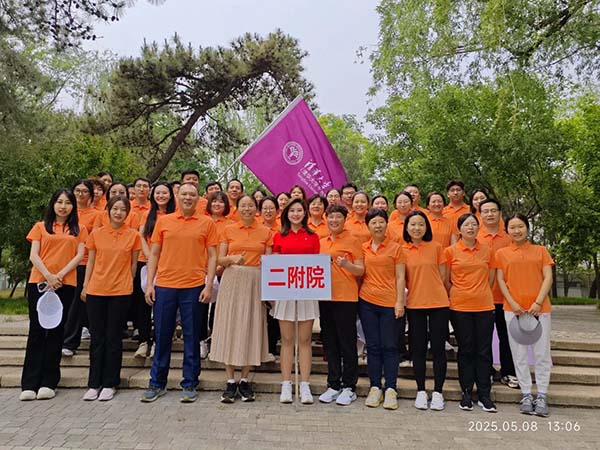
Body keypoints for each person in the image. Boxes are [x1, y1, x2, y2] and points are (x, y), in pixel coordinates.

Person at [141, 183, 217, 403]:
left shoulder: (207, 223)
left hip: (194, 286)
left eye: (192, 194)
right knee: (162, 335)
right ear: (177, 196)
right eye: (184, 194)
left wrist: (208, 285)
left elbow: (213, 255)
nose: (187, 198)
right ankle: (157, 383)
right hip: (165, 285)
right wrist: (150, 284)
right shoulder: (164, 221)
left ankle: (190, 383)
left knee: (192, 337)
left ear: (198, 198)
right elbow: (154, 254)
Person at [20, 189, 87, 401]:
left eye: (67, 203)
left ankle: (49, 382)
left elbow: (79, 256)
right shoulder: (40, 227)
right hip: (39, 282)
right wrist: (48, 275)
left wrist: (59, 275)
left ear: (73, 206)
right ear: (53, 204)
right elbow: (34, 255)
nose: (63, 206)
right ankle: (29, 383)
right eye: (59, 202)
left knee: (57, 331)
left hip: (65, 284)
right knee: (37, 331)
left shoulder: (79, 229)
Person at [210, 194, 273, 403]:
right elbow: (219, 258)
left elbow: (269, 261)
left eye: (251, 205)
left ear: (256, 209)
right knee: (229, 325)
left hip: (254, 281)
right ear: (237, 208)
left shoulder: (266, 232)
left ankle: (245, 379)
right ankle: (230, 380)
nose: (247, 209)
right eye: (243, 205)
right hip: (232, 279)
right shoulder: (228, 229)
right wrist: (231, 258)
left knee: (251, 326)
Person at [80, 196, 141, 401]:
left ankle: (110, 383)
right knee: (97, 338)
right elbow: (90, 262)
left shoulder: (133, 235)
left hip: (120, 291)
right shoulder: (96, 234)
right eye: (115, 208)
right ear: (108, 211)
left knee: (114, 338)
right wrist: (86, 285)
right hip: (96, 290)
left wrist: (127, 282)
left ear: (127, 213)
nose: (118, 213)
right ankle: (93, 384)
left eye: (123, 209)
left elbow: (133, 265)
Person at [496, 214, 554, 417]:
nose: (517, 230)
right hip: (513, 310)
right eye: (512, 227)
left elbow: (548, 277)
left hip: (540, 310)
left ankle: (542, 395)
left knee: (541, 353)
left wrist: (538, 302)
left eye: (520, 226)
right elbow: (501, 280)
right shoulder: (502, 253)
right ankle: (526, 394)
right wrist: (513, 303)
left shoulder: (541, 251)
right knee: (519, 353)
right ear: (507, 231)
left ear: (527, 228)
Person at [444, 213, 497, 412]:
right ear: (459, 229)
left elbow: (491, 278)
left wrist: (479, 292)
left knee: (483, 350)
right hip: (460, 307)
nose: (470, 228)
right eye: (466, 225)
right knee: (466, 349)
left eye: (474, 224)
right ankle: (466, 391)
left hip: (484, 306)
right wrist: (460, 292)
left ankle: (484, 393)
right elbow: (446, 280)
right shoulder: (450, 251)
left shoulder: (487, 250)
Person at [271, 198, 320, 404]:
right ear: (286, 214)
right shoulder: (279, 236)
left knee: (305, 340)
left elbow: (317, 263)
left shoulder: (313, 236)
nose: (296, 214)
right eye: (292, 210)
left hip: (307, 292)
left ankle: (305, 384)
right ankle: (286, 383)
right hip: (285, 293)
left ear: (305, 213)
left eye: (300, 210)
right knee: (287, 339)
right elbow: (274, 265)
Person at [359, 208, 406, 410]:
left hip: (389, 303)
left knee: (390, 346)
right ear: (368, 226)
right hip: (367, 302)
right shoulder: (363, 247)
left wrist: (399, 302)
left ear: (387, 224)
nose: (377, 226)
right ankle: (375, 386)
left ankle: (391, 388)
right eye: (373, 222)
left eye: (381, 222)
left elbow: (400, 277)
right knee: (373, 346)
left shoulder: (396, 248)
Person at [318, 205, 364, 406]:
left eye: (338, 217)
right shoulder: (321, 242)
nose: (334, 220)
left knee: (347, 343)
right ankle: (333, 384)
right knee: (330, 343)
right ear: (326, 219)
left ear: (345, 219)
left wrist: (346, 265)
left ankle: (349, 386)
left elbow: (361, 270)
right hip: (325, 297)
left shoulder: (353, 240)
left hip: (346, 297)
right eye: (331, 217)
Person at [403, 210, 449, 411]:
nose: (417, 228)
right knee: (418, 349)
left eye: (421, 224)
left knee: (438, 349)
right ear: (406, 228)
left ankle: (438, 392)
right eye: (413, 224)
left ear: (427, 227)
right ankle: (421, 390)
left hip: (439, 303)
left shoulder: (436, 247)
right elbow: (402, 278)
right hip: (415, 304)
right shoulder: (402, 250)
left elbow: (443, 276)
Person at [477, 199, 517, 388]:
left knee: (506, 337)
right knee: (482, 338)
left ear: (500, 213)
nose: (489, 214)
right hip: (482, 298)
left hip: (506, 297)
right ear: (480, 214)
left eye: (493, 210)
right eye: (485, 211)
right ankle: (486, 371)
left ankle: (508, 371)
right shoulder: (475, 236)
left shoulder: (510, 237)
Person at [136, 182, 176, 359]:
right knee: (145, 303)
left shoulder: (175, 214)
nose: (161, 196)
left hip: (169, 264)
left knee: (165, 307)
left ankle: (159, 343)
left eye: (164, 193)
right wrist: (149, 256)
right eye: (158, 193)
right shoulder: (147, 214)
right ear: (153, 195)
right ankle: (144, 341)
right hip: (148, 263)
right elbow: (142, 236)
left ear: (170, 195)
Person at [62, 180, 97, 357]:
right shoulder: (66, 212)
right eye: (77, 190)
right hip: (62, 263)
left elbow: (95, 240)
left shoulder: (96, 215)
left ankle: (70, 342)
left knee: (77, 304)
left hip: (83, 262)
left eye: (84, 191)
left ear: (91, 195)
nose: (80, 194)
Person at [202, 191, 234, 358]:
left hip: (223, 270)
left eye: (221, 202)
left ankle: (216, 337)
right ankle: (202, 339)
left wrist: (221, 266)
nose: (217, 204)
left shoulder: (231, 224)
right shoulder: (202, 221)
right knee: (201, 306)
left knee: (219, 307)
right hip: (201, 269)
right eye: (214, 201)